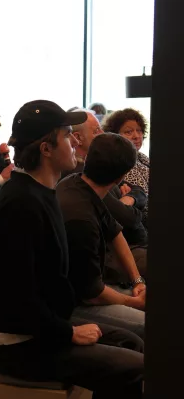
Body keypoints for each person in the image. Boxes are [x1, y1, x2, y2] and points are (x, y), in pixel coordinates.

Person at [0, 101, 142, 399]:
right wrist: (67, 333)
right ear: (46, 148)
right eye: (68, 136)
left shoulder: (41, 191)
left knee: (131, 343)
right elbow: (15, 297)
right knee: (133, 369)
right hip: (15, 343)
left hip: (38, 329)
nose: (76, 143)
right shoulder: (20, 203)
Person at [57, 133, 146, 339]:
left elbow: (115, 233)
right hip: (72, 304)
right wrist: (135, 302)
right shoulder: (81, 220)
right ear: (121, 177)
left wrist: (137, 281)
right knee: (149, 323)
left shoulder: (76, 182)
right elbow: (93, 295)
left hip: (87, 291)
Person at [66, 109, 147, 280]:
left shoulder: (98, 170)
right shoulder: (81, 176)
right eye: (96, 130)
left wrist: (128, 199)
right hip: (121, 253)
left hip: (134, 244)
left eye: (139, 131)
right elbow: (130, 218)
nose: (102, 134)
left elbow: (139, 192)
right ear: (78, 138)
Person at [102, 108, 150, 224]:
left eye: (139, 131)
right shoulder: (117, 162)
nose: (136, 136)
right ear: (115, 135)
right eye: (129, 132)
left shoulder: (142, 157)